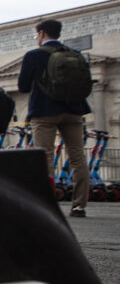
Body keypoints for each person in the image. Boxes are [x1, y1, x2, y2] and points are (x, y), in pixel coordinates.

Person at [17, 18, 92, 217]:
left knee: (45, 157)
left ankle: (47, 204)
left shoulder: (34, 55)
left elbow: (23, 87)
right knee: (77, 156)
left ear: (41, 33)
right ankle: (79, 205)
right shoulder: (75, 54)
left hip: (44, 111)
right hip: (74, 110)